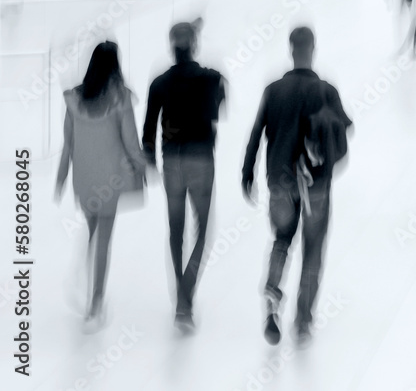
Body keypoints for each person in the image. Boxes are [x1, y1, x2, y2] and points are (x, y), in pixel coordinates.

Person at [241, 27, 353, 346]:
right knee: (313, 250)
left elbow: (256, 133)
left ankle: (273, 295)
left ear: (291, 49)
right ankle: (303, 323)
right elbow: (345, 130)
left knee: (281, 240)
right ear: (313, 48)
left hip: (280, 181)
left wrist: (247, 172)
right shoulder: (326, 89)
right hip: (316, 183)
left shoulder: (273, 89)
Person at [55, 41, 149, 330]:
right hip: (111, 179)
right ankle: (95, 303)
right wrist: (144, 167)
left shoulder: (74, 99)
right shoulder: (120, 99)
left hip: (84, 179)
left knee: (92, 233)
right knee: (104, 241)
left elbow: (68, 144)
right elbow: (131, 142)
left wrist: (60, 178)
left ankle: (86, 287)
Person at [142, 19, 226, 332]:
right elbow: (217, 110)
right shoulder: (211, 78)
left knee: (175, 232)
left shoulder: (160, 83)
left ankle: (181, 299)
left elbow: (148, 131)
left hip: (172, 162)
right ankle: (186, 293)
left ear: (171, 47)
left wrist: (149, 162)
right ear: (194, 46)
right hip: (201, 159)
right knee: (203, 230)